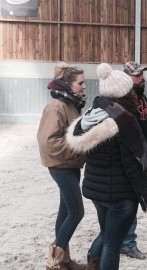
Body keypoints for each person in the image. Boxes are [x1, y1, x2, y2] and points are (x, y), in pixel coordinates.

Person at [66, 63, 147, 270]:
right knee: (113, 244)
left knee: (107, 235)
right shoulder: (124, 121)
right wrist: (144, 194)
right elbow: (132, 165)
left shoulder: (92, 115)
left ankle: (91, 264)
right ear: (125, 92)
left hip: (97, 191)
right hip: (120, 196)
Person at [37, 62, 87, 270]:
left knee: (65, 211)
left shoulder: (71, 104)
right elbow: (48, 141)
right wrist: (79, 147)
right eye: (80, 83)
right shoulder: (56, 107)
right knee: (77, 212)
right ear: (67, 85)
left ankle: (64, 260)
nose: (84, 86)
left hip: (71, 165)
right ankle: (54, 261)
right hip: (61, 166)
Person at [120, 61, 147, 260]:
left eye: (142, 74)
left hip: (144, 155)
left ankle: (125, 240)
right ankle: (127, 242)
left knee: (134, 197)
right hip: (133, 158)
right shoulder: (125, 101)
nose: (142, 78)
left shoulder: (142, 98)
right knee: (130, 199)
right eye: (137, 75)